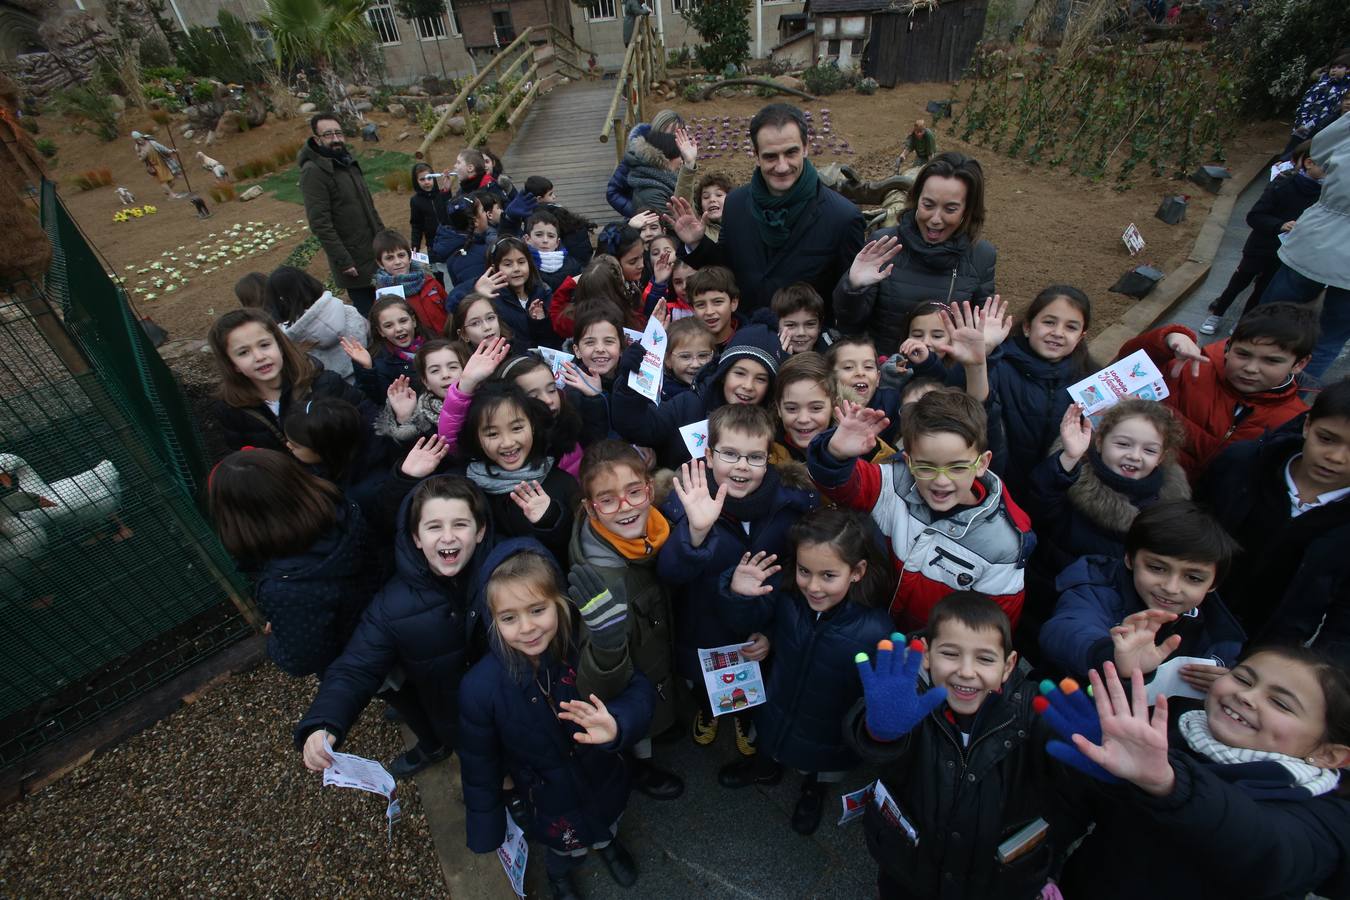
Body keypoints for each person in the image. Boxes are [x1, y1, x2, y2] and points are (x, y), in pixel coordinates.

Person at [1037, 651, 1350, 900]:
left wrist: (1169, 784)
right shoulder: (1171, 736)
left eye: (1280, 703)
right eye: (1243, 678)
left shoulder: (1327, 817)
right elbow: (1078, 811)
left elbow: (1268, 853)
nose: (1247, 696)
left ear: (1328, 755)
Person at [846, 593, 1087, 899]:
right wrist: (878, 732)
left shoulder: (1031, 711)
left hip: (995, 881)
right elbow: (867, 738)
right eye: (950, 654)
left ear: (1008, 665)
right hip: (909, 868)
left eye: (985, 658)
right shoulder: (910, 695)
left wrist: (1092, 751)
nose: (966, 671)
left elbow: (1072, 777)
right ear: (928, 656)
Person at [459, 545, 654, 900]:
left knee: (608, 823)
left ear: (560, 603)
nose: (527, 628)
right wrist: (486, 827)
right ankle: (559, 875)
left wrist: (617, 724)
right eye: (509, 618)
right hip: (547, 800)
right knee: (564, 849)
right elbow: (478, 763)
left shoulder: (583, 649)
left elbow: (639, 691)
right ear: (491, 620)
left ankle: (607, 844)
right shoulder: (479, 689)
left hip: (603, 776)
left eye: (537, 610)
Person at [295, 475, 497, 780]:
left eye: (460, 524)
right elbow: (357, 666)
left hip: (516, 709)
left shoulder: (507, 575)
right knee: (490, 772)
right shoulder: (394, 604)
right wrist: (325, 721)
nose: (447, 537)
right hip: (459, 722)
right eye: (433, 527)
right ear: (415, 537)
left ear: (480, 531)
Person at [717, 509, 894, 835]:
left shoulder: (875, 631)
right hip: (778, 703)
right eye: (804, 571)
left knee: (821, 768)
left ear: (857, 571)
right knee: (768, 740)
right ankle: (763, 767)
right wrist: (760, 624)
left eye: (828, 575)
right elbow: (762, 622)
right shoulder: (788, 597)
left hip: (828, 729)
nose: (813, 586)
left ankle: (813, 791)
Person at [807, 389, 1032, 632]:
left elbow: (990, 627)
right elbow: (841, 485)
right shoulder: (892, 483)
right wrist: (836, 455)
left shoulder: (1004, 544)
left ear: (983, 463)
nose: (941, 481)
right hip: (862, 630)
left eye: (956, 467)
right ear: (909, 460)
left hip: (928, 656)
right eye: (926, 467)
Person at [660, 409, 819, 754]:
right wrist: (697, 533)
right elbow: (669, 574)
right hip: (704, 627)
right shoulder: (685, 502)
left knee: (754, 681)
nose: (741, 466)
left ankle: (745, 717)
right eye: (729, 454)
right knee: (706, 684)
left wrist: (774, 634)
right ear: (708, 455)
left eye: (754, 457)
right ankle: (708, 709)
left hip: (758, 628)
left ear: (769, 458)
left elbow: (797, 579)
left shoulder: (791, 506)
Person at [1197, 377, 1350, 656]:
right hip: (1176, 615)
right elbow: (1187, 524)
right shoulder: (1242, 464)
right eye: (1326, 438)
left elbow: (1342, 631)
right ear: (1307, 425)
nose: (1337, 457)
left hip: (1261, 657)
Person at [567, 441, 685, 801]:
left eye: (634, 492)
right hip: (636, 677)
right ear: (590, 507)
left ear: (649, 489)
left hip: (658, 653)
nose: (625, 507)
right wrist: (607, 641)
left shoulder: (657, 526)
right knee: (639, 727)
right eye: (607, 499)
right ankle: (638, 765)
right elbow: (597, 680)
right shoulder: (603, 578)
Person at [671, 103, 865, 314]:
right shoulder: (736, 204)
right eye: (771, 156)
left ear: (806, 147)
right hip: (746, 336)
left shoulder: (842, 217)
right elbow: (727, 270)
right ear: (756, 155)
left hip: (808, 341)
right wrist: (697, 244)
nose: (782, 167)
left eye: (791, 153)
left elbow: (850, 300)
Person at [209, 448, 383, 679]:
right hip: (384, 622)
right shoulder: (339, 506)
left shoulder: (283, 587)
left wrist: (276, 640)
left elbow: (302, 660)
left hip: (361, 659)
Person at [1039, 500, 1245, 685]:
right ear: (1129, 558)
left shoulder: (1219, 629)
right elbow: (1064, 630)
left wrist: (1228, 685)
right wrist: (1111, 656)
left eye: (1193, 578)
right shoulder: (1095, 587)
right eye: (1156, 568)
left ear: (1213, 584)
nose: (1171, 587)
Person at [1117, 302, 1316, 479]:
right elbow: (1124, 365)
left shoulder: (1293, 421)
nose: (1251, 368)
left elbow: (1227, 462)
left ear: (1300, 363)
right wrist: (1167, 338)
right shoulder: (1194, 366)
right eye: (1243, 354)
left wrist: (1159, 415)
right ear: (1229, 347)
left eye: (1271, 361)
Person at [832, 152, 996, 352]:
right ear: (916, 199)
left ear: (968, 211)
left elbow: (978, 336)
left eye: (950, 209)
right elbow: (849, 324)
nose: (935, 219)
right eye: (928, 205)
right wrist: (853, 287)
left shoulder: (981, 256)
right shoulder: (885, 244)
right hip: (884, 372)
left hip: (941, 379)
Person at [612, 324, 784, 467]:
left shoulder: (776, 424)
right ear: (723, 374)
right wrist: (630, 385)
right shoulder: (689, 405)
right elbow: (638, 428)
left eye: (760, 379)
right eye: (739, 373)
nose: (748, 386)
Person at [207, 308, 373, 453]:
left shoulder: (324, 384)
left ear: (279, 346)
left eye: (264, 345)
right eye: (243, 352)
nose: (259, 357)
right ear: (232, 364)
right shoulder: (231, 410)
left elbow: (368, 423)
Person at [1260, 111, 1350, 379]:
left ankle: (1245, 380)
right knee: (1329, 339)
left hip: (1319, 240)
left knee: (1271, 319)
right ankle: (1292, 399)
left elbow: (1320, 151)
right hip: (1324, 239)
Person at [1199, 145, 1324, 335]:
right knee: (1239, 281)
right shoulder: (1283, 184)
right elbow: (1255, 216)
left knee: (1262, 289)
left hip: (1286, 253)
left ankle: (1244, 323)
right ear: (1309, 163)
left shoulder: (1325, 196)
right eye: (1327, 166)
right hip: (1261, 246)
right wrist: (1280, 225)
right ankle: (1217, 313)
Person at [298, 113, 384, 316]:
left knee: (388, 308)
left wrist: (385, 242)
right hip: (353, 261)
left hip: (374, 252)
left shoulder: (347, 163)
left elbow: (369, 208)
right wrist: (343, 261)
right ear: (317, 139)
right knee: (370, 316)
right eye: (328, 134)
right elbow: (320, 223)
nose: (335, 139)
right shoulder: (314, 172)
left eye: (338, 133)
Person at [263, 266, 369, 383]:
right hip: (372, 377)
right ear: (308, 283)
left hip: (331, 393)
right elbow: (370, 336)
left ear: (279, 300)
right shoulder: (348, 311)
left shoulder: (286, 342)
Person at [343, 295, 433, 403]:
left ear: (413, 321)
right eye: (389, 325)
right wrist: (368, 369)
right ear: (380, 331)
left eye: (403, 321)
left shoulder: (434, 344)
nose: (398, 329)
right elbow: (377, 399)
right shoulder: (379, 363)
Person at [374, 339, 465, 444]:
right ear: (426, 382)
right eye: (435, 370)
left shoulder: (482, 402)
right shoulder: (422, 418)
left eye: (453, 367)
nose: (445, 375)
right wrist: (405, 419)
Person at [372, 228, 451, 335]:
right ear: (381, 263)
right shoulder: (384, 296)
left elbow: (449, 308)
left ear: (409, 257)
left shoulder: (429, 281)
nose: (397, 262)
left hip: (448, 339)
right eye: (390, 258)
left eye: (401, 255)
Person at [608, 110, 683, 220]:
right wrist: (640, 212)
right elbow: (612, 192)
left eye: (679, 132)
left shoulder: (677, 153)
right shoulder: (637, 155)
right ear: (658, 129)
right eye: (671, 132)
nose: (675, 137)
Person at [1284, 55, 1349, 154]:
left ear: (1348, 70)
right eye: (1333, 67)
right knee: (1293, 151)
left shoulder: (1346, 89)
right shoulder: (1322, 85)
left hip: (1325, 129)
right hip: (1306, 125)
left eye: (1339, 67)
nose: (1334, 70)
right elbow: (1305, 103)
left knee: (1312, 152)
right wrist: (1301, 122)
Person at [662, 316, 716, 399]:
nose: (695, 364)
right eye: (685, 356)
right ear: (667, 360)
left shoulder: (717, 389)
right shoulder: (660, 394)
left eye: (703, 355)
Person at [409, 162, 450, 256]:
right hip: (433, 244)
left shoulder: (442, 194)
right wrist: (415, 246)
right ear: (416, 181)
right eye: (422, 179)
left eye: (429, 178)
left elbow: (450, 212)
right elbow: (416, 225)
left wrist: (447, 192)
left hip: (449, 238)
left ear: (433, 178)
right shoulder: (415, 201)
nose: (426, 182)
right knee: (438, 269)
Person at [130, 130, 182, 198]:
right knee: (163, 181)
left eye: (140, 139)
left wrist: (172, 151)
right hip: (154, 166)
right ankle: (171, 194)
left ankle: (167, 190)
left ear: (142, 137)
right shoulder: (138, 148)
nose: (140, 141)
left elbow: (163, 148)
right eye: (137, 140)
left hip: (162, 162)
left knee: (171, 179)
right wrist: (143, 156)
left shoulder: (152, 143)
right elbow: (141, 159)